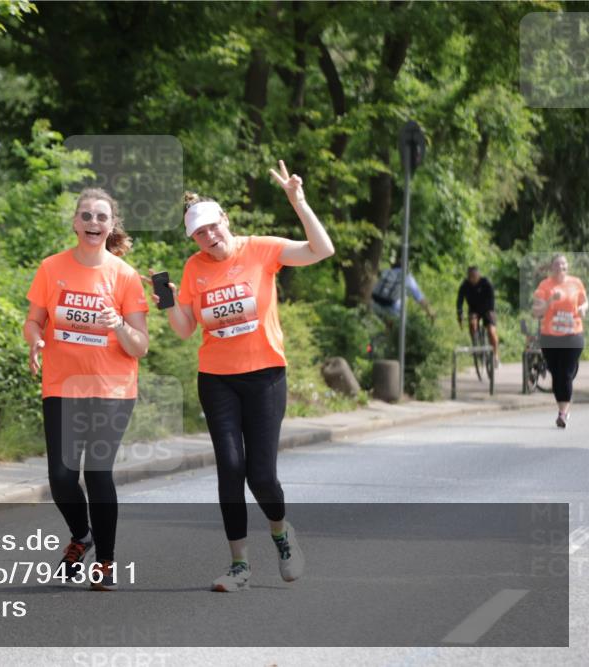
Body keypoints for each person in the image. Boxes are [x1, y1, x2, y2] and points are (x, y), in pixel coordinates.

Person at [144, 160, 333, 592]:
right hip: (217, 378)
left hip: (265, 374)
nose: (209, 238)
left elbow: (321, 250)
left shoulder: (261, 248)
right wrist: (167, 301)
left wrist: (299, 203)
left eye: (213, 227)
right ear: (192, 238)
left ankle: (283, 536)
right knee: (230, 468)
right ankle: (239, 565)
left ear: (225, 220)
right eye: (199, 233)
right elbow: (186, 328)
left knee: (261, 475)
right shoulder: (194, 268)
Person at [24, 188, 149, 591]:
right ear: (75, 223)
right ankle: (82, 535)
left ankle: (106, 562)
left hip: (111, 389)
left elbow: (140, 346)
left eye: (102, 217)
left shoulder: (125, 276)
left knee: (97, 473)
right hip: (61, 385)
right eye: (87, 216)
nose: (94, 223)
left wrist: (116, 325)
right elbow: (34, 320)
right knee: (61, 477)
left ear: (111, 226)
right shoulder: (51, 267)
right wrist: (35, 340)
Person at [531, 253, 587, 428]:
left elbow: (585, 302)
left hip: (573, 335)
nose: (560, 268)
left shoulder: (576, 283)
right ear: (551, 268)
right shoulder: (544, 286)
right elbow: (536, 312)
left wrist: (583, 308)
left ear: (567, 267)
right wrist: (549, 301)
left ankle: (563, 413)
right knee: (556, 373)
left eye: (563, 265)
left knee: (565, 373)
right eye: (557, 265)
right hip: (550, 337)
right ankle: (562, 403)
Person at [456, 265, 500, 366]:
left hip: (487, 308)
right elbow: (459, 300)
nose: (472, 279)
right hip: (474, 309)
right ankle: (475, 342)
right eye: (470, 277)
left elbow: (492, 297)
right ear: (468, 276)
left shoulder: (486, 282)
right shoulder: (464, 285)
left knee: (491, 331)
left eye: (474, 276)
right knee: (472, 323)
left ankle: (496, 355)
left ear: (478, 275)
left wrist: (490, 311)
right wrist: (460, 313)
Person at [371, 258, 435, 322]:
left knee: (383, 325)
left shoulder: (387, 272)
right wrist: (430, 312)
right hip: (393, 310)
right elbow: (420, 298)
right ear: (406, 268)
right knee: (404, 326)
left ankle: (386, 329)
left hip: (375, 305)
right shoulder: (407, 277)